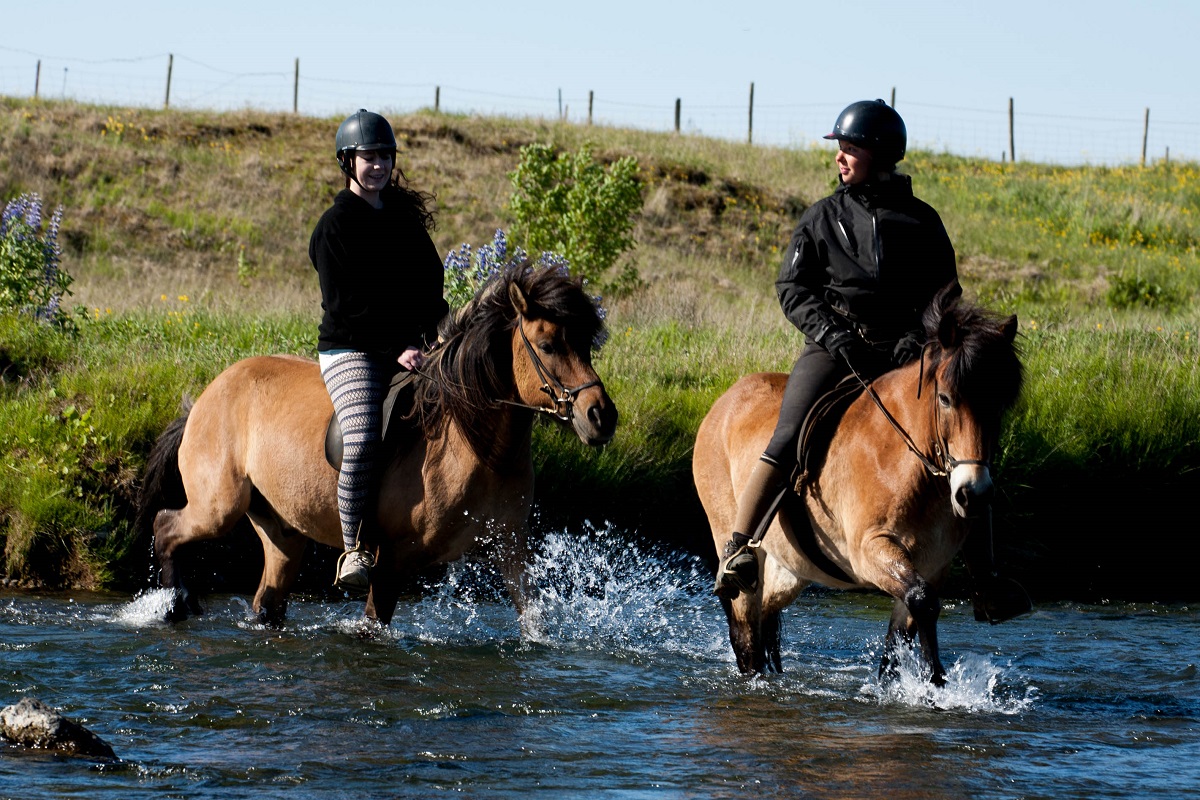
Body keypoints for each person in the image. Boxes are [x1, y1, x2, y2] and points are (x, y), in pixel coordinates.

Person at [715, 99, 1030, 623]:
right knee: (786, 434)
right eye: (840, 148)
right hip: (834, 348)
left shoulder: (924, 222)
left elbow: (945, 297)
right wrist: (831, 333)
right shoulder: (821, 217)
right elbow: (792, 288)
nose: (840, 157)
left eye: (850, 148)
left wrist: (918, 342)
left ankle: (986, 579)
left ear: (879, 154)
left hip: (909, 356)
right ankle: (740, 548)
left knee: (969, 446)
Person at [309, 109, 449, 592]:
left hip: (410, 344)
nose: (379, 165)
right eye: (369, 157)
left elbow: (431, 281)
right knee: (365, 435)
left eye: (386, 156)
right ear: (348, 161)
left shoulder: (403, 220)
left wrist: (433, 333)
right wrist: (396, 349)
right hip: (353, 348)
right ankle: (352, 549)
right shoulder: (333, 229)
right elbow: (348, 307)